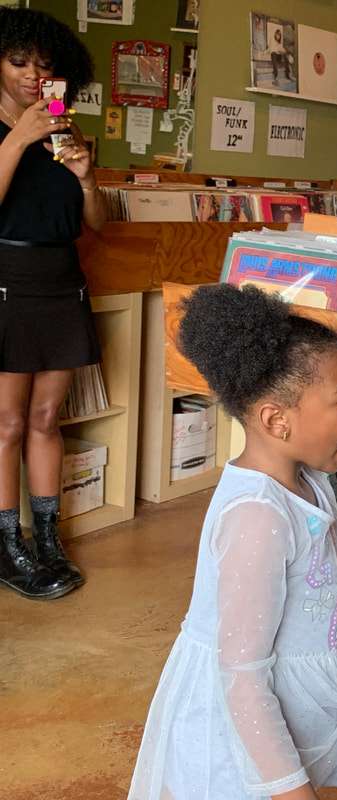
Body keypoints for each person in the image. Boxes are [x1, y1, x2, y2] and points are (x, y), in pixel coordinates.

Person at [127, 284, 337, 800]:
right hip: (241, 752)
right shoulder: (258, 516)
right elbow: (244, 677)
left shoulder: (312, 485)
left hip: (288, 733)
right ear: (277, 420)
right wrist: (292, 793)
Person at [0, 8, 101, 600]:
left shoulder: (69, 133)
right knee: (7, 422)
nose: (32, 75)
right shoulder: (19, 131)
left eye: (44, 66)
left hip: (62, 277)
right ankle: (8, 547)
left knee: (45, 418)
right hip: (7, 279)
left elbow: (96, 226)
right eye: (18, 62)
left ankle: (47, 537)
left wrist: (88, 178)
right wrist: (19, 135)